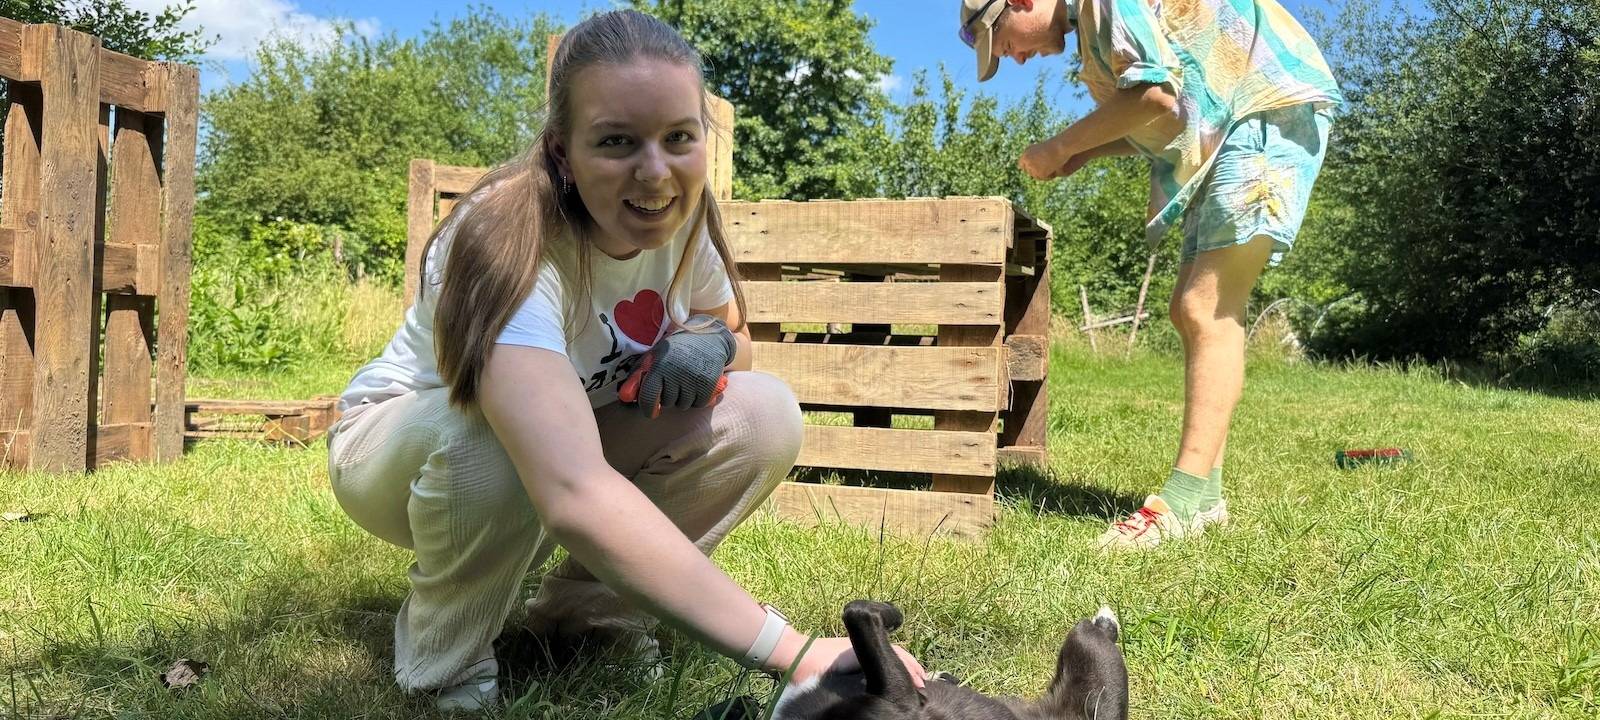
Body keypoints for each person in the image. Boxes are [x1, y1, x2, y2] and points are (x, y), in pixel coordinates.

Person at [327, 10, 925, 711]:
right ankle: (445, 664)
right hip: (397, 452)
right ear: (561, 153)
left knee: (763, 414)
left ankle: (589, 618)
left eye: (679, 138)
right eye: (616, 142)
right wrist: (790, 651)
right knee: (487, 444)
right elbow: (573, 490)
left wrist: (712, 344)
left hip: (555, 440)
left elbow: (736, 334)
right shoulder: (502, 242)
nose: (655, 172)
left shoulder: (683, 218)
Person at [956, 0, 1342, 550]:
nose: (1014, 59)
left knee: (1206, 308)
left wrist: (1061, 144)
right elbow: (1167, 116)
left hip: (1268, 109)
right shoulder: (1092, 33)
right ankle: (1204, 499)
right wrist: (1084, 155)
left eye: (1005, 44)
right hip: (1236, 119)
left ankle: (1179, 505)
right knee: (1189, 310)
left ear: (1019, 2)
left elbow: (1154, 93)